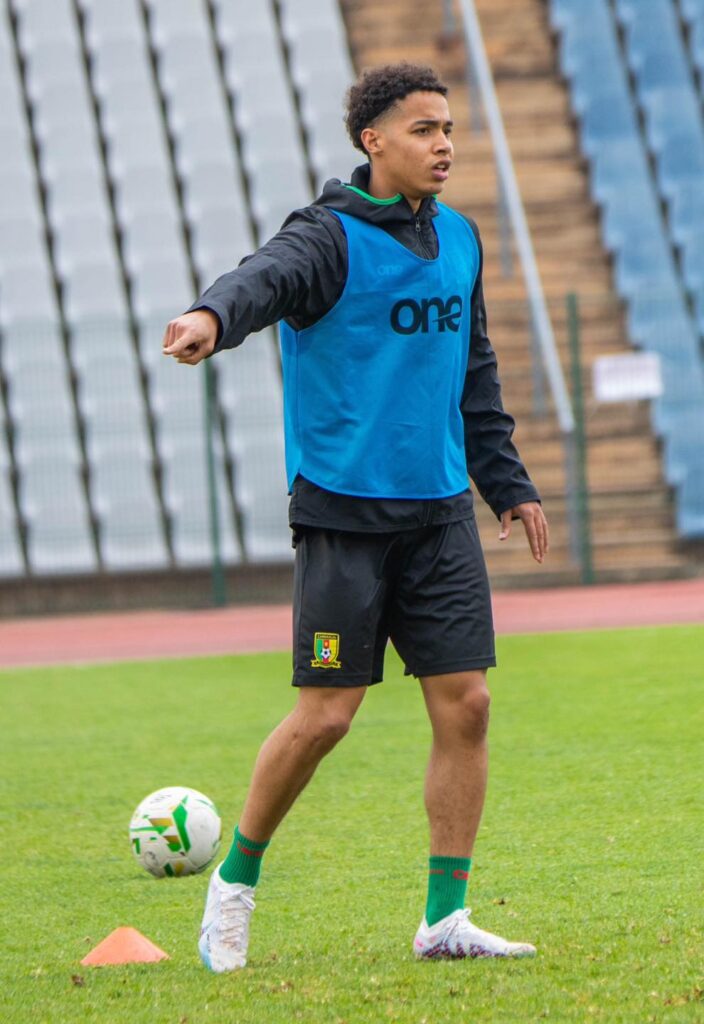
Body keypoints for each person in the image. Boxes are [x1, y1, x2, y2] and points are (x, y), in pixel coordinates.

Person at [163, 62, 548, 971]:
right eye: (423, 129)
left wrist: (507, 482)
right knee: (327, 718)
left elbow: (474, 372)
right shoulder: (327, 236)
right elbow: (263, 278)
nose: (443, 144)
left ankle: (445, 919)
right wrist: (212, 315)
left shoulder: (460, 238)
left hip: (440, 516)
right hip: (344, 518)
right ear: (373, 141)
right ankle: (234, 887)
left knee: (468, 705)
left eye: (447, 128)